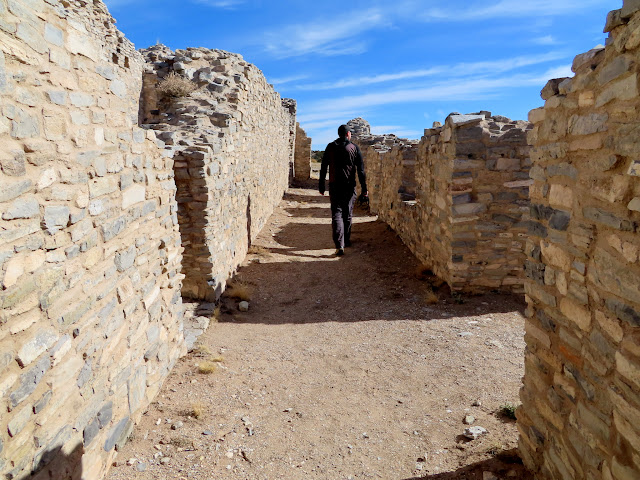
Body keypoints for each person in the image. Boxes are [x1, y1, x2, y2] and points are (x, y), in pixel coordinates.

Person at [319, 124, 368, 256]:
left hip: (334, 185)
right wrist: (364, 189)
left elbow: (324, 167)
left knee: (336, 213)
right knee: (347, 213)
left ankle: (339, 244)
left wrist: (321, 185)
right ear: (348, 134)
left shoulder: (330, 147)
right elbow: (361, 171)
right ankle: (346, 240)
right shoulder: (354, 148)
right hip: (349, 186)